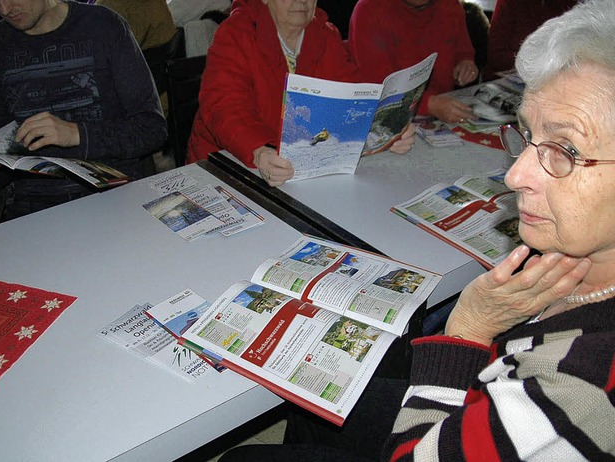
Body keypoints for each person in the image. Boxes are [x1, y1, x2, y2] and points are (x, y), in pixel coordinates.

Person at [219, 0, 615, 459]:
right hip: (482, 388)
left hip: (454, 417)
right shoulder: (578, 263)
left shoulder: (580, 385)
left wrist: (467, 328)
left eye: (565, 148)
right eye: (527, 135)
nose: (514, 175)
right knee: (320, 399)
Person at [0, 0, 167, 225]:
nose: (5, 9)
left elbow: (153, 128)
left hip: (115, 193)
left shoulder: (104, 26)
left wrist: (77, 134)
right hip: (34, 206)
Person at [186, 0, 416, 187]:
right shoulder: (236, 33)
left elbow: (350, 99)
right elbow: (224, 106)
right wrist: (257, 151)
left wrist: (384, 131)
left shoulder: (325, 35)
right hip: (226, 164)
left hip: (297, 166)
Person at [348, 0, 479, 124]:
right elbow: (378, 88)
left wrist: (466, 62)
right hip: (392, 117)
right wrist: (430, 104)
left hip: (446, 108)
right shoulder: (369, 10)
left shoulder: (450, 5)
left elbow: (463, 50)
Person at [484, 0, 578, 79]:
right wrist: (537, 64)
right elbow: (496, 56)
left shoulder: (572, 5)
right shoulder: (510, 3)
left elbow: (576, 54)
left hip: (553, 82)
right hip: (505, 81)